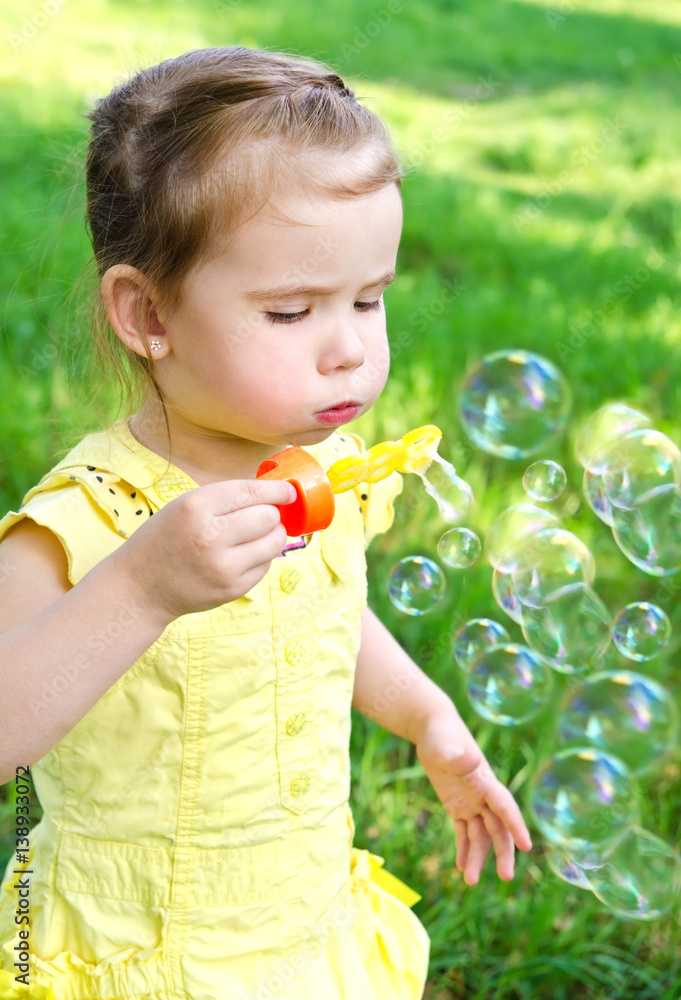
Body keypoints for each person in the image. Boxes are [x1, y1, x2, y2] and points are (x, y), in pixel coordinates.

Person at [0, 46, 531, 1000]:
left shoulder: (321, 476)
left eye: (368, 300)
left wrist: (426, 718)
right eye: (291, 311)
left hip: (294, 927)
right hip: (141, 952)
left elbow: (326, 614)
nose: (349, 351)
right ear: (147, 313)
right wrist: (140, 588)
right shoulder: (86, 517)